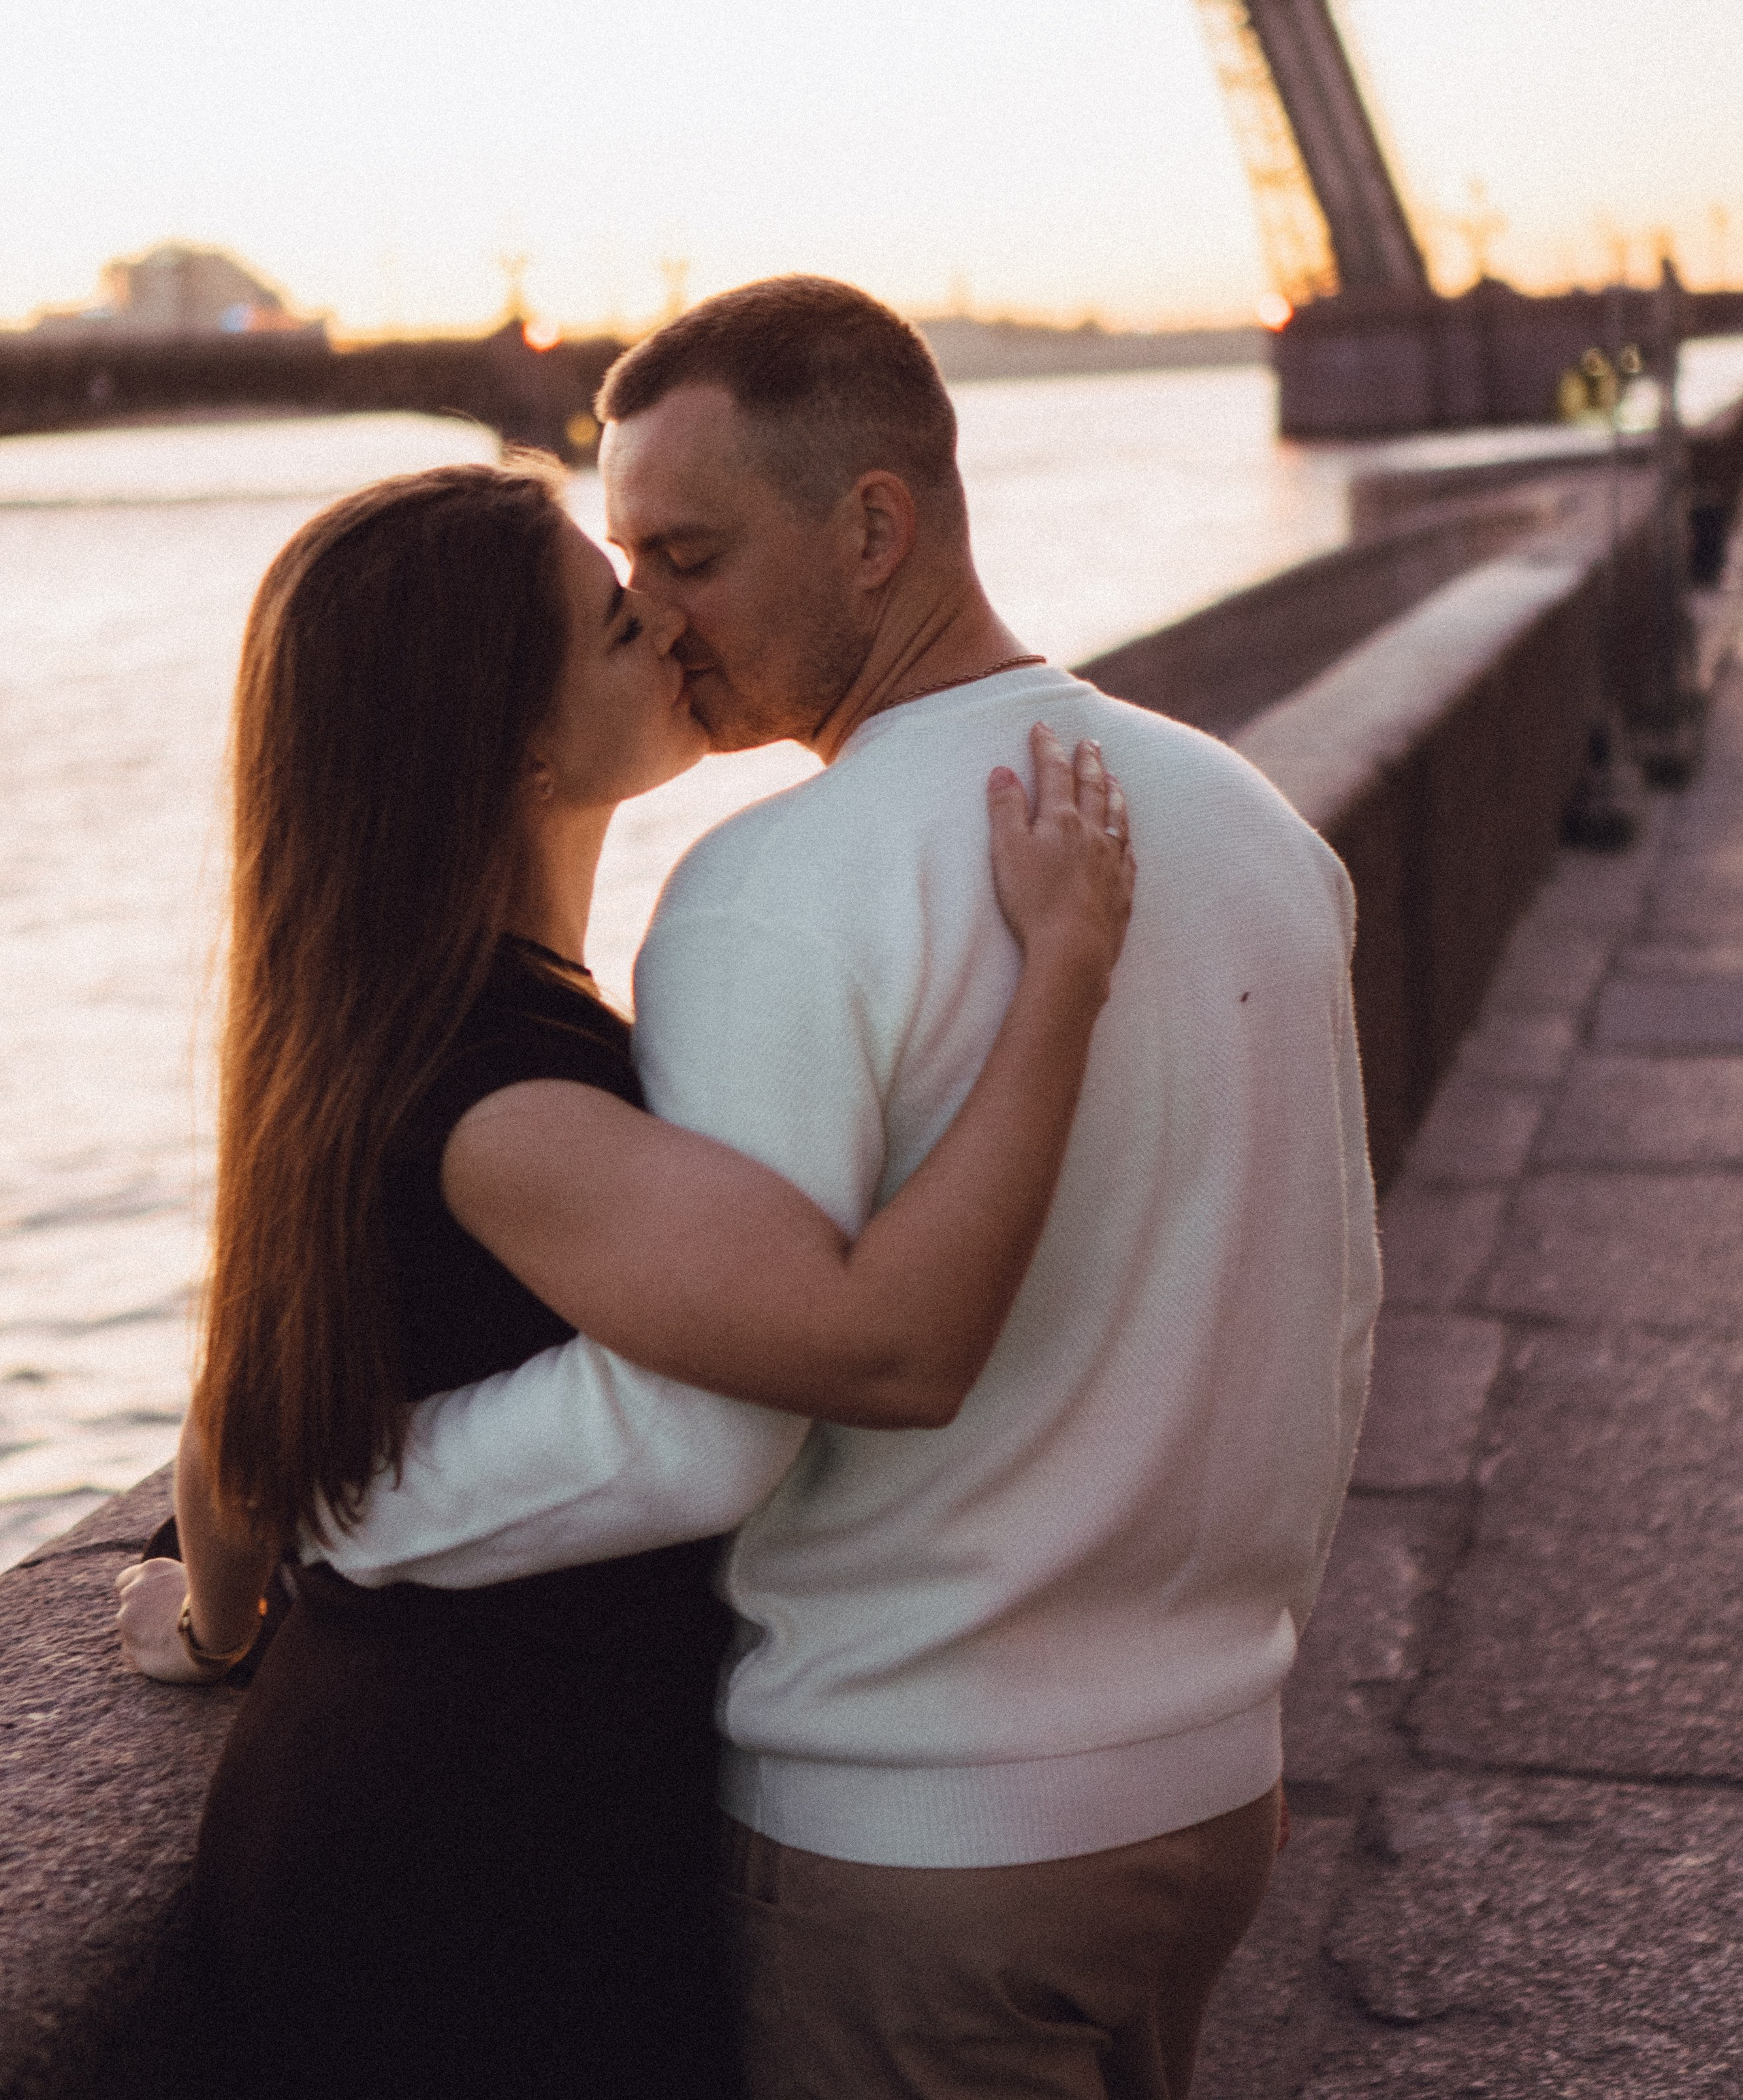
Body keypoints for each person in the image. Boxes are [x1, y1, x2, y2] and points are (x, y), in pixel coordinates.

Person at [316, 277, 1384, 2100]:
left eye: (692, 554)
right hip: (1208, 1795)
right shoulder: (1251, 828)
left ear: (873, 528)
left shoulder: (769, 894)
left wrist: (327, 1495)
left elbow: (698, 1432)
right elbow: (1331, 1306)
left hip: (917, 1836)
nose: (657, 612)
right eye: (629, 565)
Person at [114, 454, 1137, 2100]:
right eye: (613, 620)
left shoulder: (378, 1031)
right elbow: (889, 1345)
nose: (664, 618)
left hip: (417, 1818)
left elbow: (249, 1405)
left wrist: (214, 1621)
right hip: (474, 1885)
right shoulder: (510, 1099)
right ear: (512, 745)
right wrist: (1063, 979)